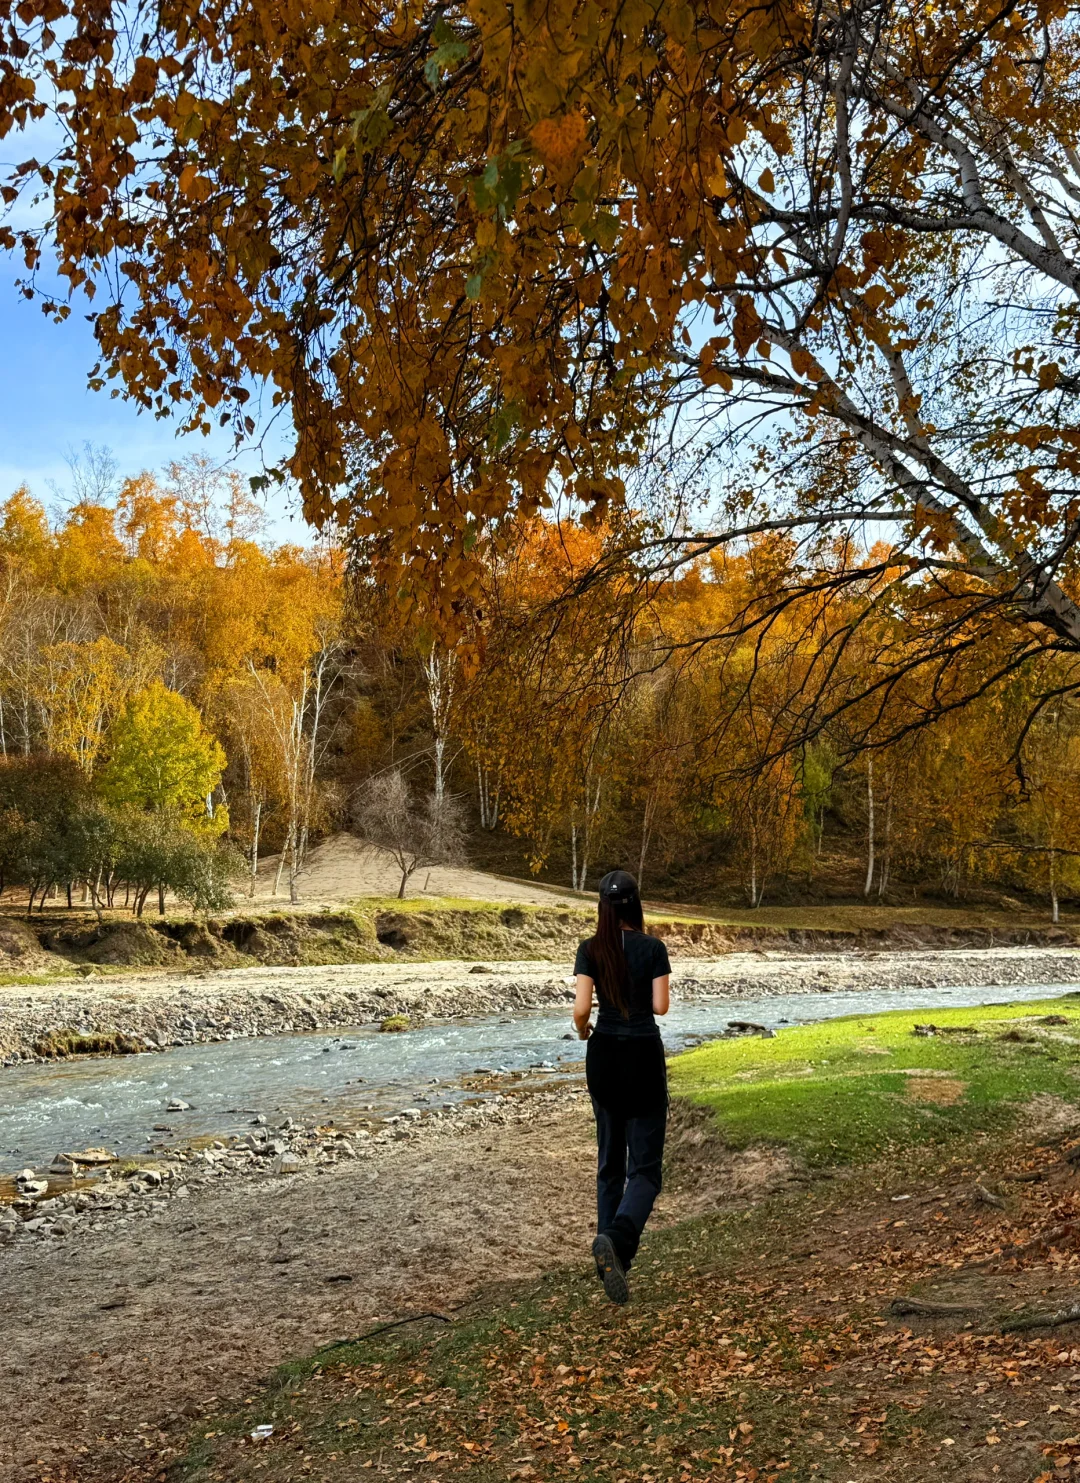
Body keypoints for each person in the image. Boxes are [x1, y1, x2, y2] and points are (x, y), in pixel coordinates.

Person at [573, 869, 671, 1305]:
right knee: (645, 1169)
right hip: (643, 1055)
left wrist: (584, 1031)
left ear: (603, 907)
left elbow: (580, 1010)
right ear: (635, 904)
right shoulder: (653, 948)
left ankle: (611, 1257)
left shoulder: (590, 948)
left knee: (609, 1162)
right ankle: (617, 1239)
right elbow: (660, 1007)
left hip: (604, 1055)